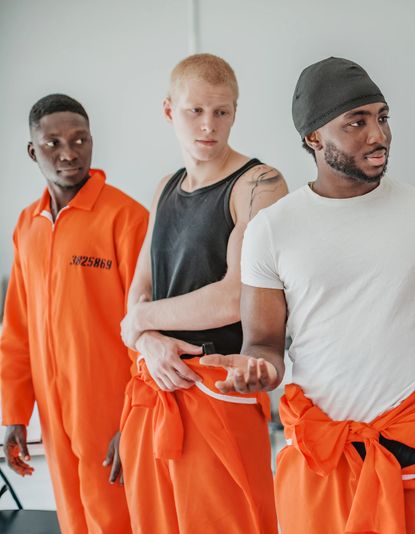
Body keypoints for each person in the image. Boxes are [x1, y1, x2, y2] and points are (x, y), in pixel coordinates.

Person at [201, 56, 415, 533]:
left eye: (382, 117)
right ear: (314, 137)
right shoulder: (272, 229)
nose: (379, 135)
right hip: (322, 458)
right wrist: (257, 373)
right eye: (357, 122)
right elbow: (264, 343)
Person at [117, 53, 287, 534]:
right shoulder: (164, 188)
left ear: (236, 110)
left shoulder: (258, 184)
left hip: (220, 386)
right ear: (170, 110)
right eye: (195, 111)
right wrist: (147, 339)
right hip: (157, 381)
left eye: (223, 112)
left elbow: (234, 297)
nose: (209, 126)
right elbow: (140, 291)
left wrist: (139, 322)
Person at [1, 94, 147, 533]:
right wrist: (14, 416)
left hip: (111, 416)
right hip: (53, 416)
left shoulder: (126, 218)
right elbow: (17, 332)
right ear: (32, 150)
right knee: (73, 523)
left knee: (120, 522)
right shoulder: (28, 226)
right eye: (53, 143)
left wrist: (133, 421)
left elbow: (147, 331)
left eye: (80, 139)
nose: (69, 153)